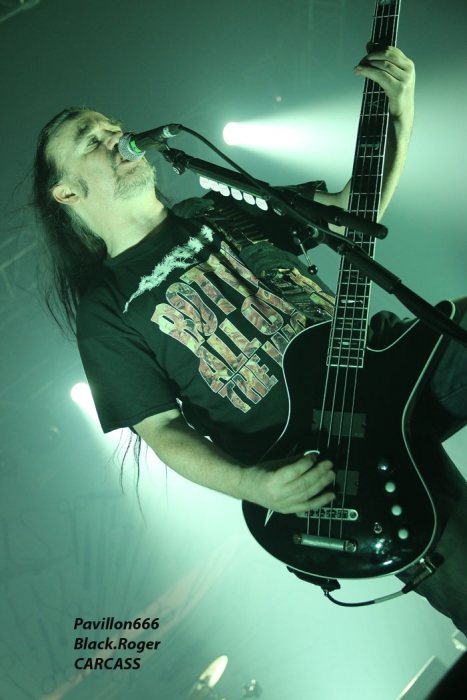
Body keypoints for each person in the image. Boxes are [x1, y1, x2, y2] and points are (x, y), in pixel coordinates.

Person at [32, 47, 467, 634]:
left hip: (388, 365)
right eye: (91, 140)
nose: (115, 138)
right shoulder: (107, 309)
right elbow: (162, 429)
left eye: (113, 128)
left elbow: (352, 210)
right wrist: (253, 485)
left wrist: (401, 111)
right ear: (66, 193)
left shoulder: (216, 206)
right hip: (331, 453)